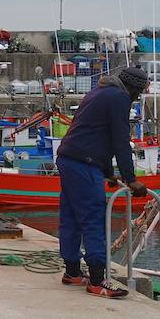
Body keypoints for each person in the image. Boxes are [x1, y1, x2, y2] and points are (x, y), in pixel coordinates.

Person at [54, 66, 149, 299]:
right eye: (140, 91)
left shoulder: (99, 92)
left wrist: (107, 172)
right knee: (93, 218)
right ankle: (97, 281)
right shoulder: (119, 97)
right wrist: (131, 179)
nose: (137, 96)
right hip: (84, 164)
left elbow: (98, 135)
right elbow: (119, 139)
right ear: (134, 87)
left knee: (71, 218)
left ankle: (73, 272)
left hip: (69, 159)